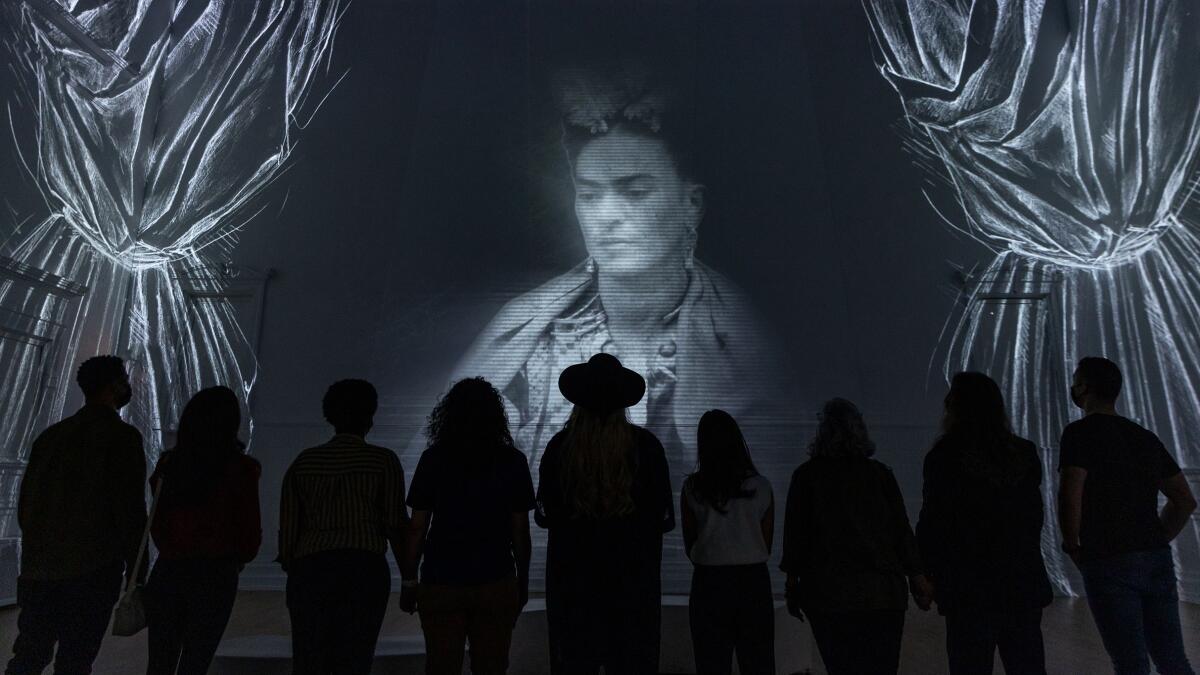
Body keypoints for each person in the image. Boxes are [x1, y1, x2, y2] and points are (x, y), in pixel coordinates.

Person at [446, 63, 781, 475]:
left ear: (691, 204)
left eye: (636, 192)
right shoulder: (524, 331)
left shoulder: (743, 337)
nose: (607, 217)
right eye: (589, 195)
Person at [535, 353, 675, 674]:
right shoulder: (646, 447)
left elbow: (546, 515)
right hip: (632, 584)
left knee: (575, 661)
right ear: (623, 402)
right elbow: (661, 518)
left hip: (574, 584)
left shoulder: (561, 447)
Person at [6, 355, 146, 675]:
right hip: (91, 570)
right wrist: (138, 569)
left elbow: (27, 503)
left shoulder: (51, 436)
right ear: (113, 387)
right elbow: (129, 509)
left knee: (29, 653)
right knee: (76, 658)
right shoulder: (122, 438)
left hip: (39, 567)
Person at [1059, 357, 1197, 675]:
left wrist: (1072, 544)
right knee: (1173, 659)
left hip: (1107, 558)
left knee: (1130, 662)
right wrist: (1157, 538)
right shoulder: (1143, 437)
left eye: (1077, 381)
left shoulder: (1079, 434)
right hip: (1155, 556)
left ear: (1085, 388)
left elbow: (1070, 494)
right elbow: (1185, 500)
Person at [780, 398, 932, 675]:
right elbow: (901, 530)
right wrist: (918, 578)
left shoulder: (806, 477)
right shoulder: (879, 475)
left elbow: (795, 538)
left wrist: (792, 585)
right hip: (881, 595)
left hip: (828, 594)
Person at [916, 372, 1052, 674]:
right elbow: (1032, 516)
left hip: (969, 586)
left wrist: (924, 572)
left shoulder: (945, 456)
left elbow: (934, 522)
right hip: (1021, 580)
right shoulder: (1024, 453)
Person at [399, 378, 535, 675]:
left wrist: (409, 581)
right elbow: (520, 531)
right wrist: (521, 581)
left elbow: (417, 528)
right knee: (491, 666)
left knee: (441, 665)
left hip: (441, 579)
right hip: (496, 579)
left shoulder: (434, 459)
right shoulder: (512, 461)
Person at [277, 379, 409, 675]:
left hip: (311, 568)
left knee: (309, 659)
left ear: (330, 416)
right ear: (371, 417)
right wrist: (409, 578)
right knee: (355, 658)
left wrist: (294, 567)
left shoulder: (305, 462)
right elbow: (395, 524)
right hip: (364, 569)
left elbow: (289, 529)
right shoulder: (383, 461)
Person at [144, 386, 262, 675]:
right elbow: (247, 527)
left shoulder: (170, 464)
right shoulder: (242, 468)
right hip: (216, 573)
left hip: (169, 569)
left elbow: (156, 522)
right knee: (197, 659)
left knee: (160, 660)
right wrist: (240, 557)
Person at [680, 410, 775, 675]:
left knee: (711, 662)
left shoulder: (692, 487)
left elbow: (690, 543)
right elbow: (766, 543)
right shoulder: (761, 486)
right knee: (759, 662)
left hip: (709, 582)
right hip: (753, 581)